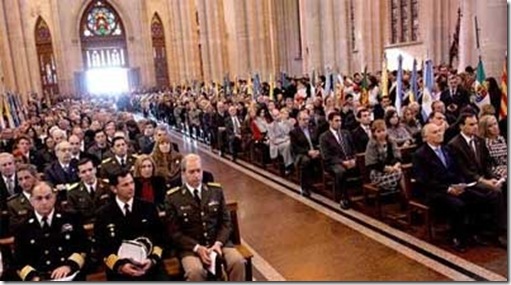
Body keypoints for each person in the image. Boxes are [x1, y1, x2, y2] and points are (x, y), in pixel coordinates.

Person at [413, 124, 504, 251]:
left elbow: (458, 170)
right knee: (458, 205)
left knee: (480, 197)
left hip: (456, 186)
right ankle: (458, 237)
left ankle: (475, 233)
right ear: (425, 137)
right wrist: (447, 189)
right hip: (436, 191)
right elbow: (425, 181)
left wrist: (461, 184)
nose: (439, 133)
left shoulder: (447, 149)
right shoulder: (420, 155)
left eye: (440, 131)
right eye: (435, 132)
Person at [165, 154, 245, 281]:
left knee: (237, 262)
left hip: (218, 242)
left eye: (199, 170)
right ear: (183, 173)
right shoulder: (173, 198)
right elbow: (175, 233)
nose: (196, 175)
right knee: (195, 272)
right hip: (190, 248)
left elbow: (226, 222)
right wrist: (197, 248)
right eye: (192, 172)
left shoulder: (215, 191)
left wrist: (218, 243)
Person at [94, 170, 167, 281]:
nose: (131, 187)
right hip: (120, 270)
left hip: (149, 266)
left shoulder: (148, 207)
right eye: (125, 185)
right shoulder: (104, 214)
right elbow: (101, 248)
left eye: (132, 183)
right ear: (114, 189)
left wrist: (152, 260)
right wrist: (120, 266)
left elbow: (161, 238)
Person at [14, 181, 87, 281]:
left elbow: (83, 247)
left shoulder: (71, 219)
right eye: (39, 198)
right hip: (40, 278)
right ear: (31, 201)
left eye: (48, 197)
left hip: (70, 275)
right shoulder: (22, 228)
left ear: (54, 197)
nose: (44, 202)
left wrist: (69, 266)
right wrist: (33, 277)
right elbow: (19, 261)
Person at [319, 111, 358, 209]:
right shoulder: (324, 137)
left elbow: (354, 148)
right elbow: (326, 156)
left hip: (349, 160)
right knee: (340, 171)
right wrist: (342, 162)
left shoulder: (346, 133)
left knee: (363, 166)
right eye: (336, 121)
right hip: (333, 163)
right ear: (330, 122)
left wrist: (353, 159)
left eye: (340, 121)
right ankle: (343, 197)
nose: (339, 123)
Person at [365, 120, 405, 196]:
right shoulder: (372, 144)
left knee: (402, 173)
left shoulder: (391, 141)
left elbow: (397, 156)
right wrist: (387, 168)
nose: (382, 133)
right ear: (374, 133)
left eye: (383, 130)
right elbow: (372, 164)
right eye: (378, 131)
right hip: (378, 173)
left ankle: (405, 198)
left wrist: (395, 166)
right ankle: (406, 199)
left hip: (393, 169)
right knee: (401, 175)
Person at [66, 158, 112, 224]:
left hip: (106, 223)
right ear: (79, 174)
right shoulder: (73, 192)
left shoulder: (107, 186)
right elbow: (73, 216)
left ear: (95, 170)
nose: (88, 174)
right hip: (85, 225)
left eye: (90, 170)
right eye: (83, 172)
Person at [289, 110, 320, 197]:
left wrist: (317, 150)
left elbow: (317, 142)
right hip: (301, 153)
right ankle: (304, 187)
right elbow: (295, 148)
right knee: (306, 161)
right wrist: (308, 152)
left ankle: (317, 182)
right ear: (298, 120)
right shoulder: (294, 132)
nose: (306, 121)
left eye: (307, 119)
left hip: (313, 151)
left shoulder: (313, 129)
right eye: (304, 119)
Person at [6, 164, 38, 235]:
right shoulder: (13, 204)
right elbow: (15, 229)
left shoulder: (48, 196)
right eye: (20, 179)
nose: (24, 182)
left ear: (35, 177)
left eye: (27, 178)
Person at [478, 115, 507, 180]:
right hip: (495, 173)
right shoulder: (483, 144)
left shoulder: (504, 139)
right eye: (490, 126)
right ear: (485, 128)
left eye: (495, 124)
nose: (495, 127)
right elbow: (486, 166)